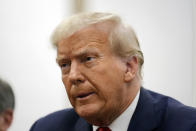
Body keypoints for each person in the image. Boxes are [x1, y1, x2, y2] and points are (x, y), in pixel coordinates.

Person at [30, 12, 196, 131]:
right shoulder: (46, 127)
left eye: (88, 59)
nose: (73, 76)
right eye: (65, 65)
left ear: (129, 68)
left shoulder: (187, 125)